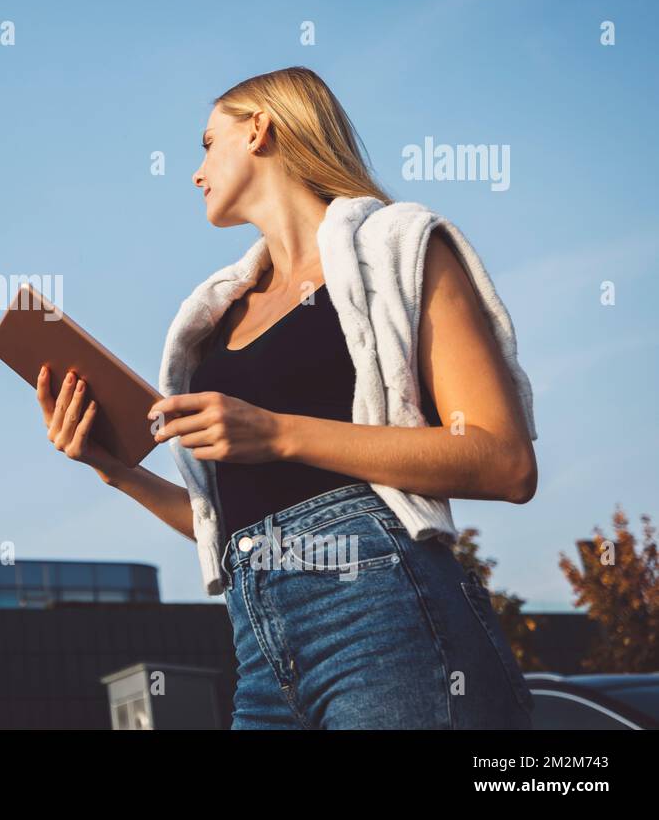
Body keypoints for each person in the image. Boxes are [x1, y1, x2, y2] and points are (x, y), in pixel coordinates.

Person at [35, 66, 538, 729]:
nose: (196, 171)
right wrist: (115, 468)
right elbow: (232, 524)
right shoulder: (218, 317)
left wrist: (277, 432)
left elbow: (504, 460)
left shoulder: (397, 246)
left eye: (208, 142)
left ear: (260, 129)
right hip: (259, 649)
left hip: (385, 619)